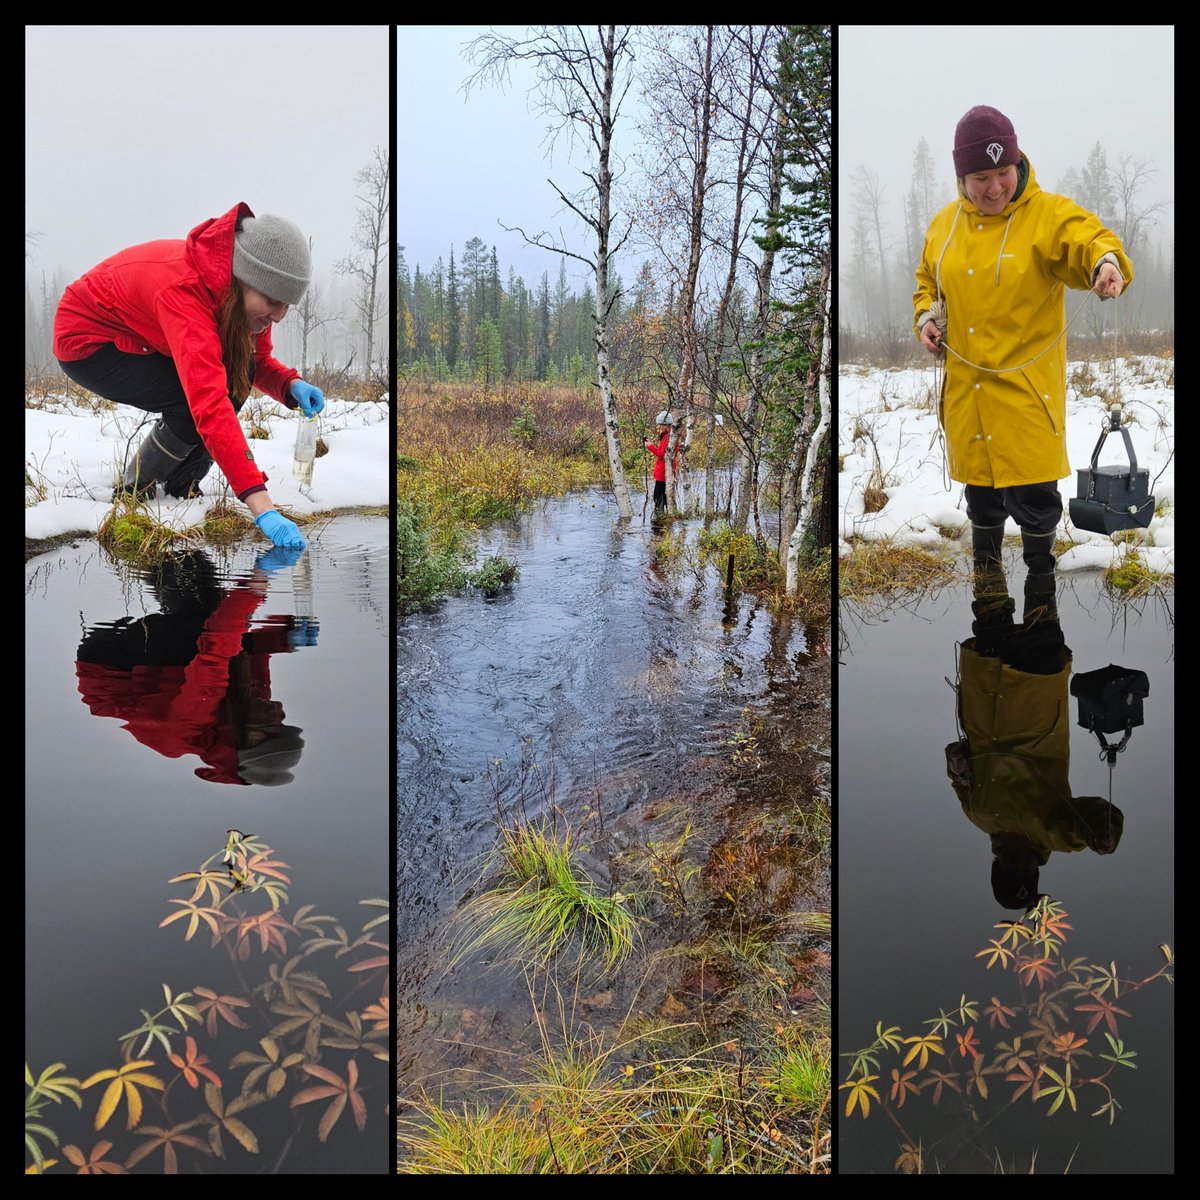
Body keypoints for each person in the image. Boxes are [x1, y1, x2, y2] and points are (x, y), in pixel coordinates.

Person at [914, 106, 1134, 585]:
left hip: (1027, 398)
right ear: (962, 177)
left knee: (1036, 505)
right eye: (980, 177)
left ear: (1017, 165)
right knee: (982, 501)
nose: (994, 188)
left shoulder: (1048, 215)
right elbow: (927, 281)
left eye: (1003, 173)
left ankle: (1040, 609)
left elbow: (1088, 239)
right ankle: (987, 600)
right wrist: (928, 317)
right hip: (968, 402)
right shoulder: (944, 226)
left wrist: (1104, 263)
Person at [53, 202, 326, 549]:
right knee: (191, 399)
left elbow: (255, 361)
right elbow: (209, 404)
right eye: (273, 300)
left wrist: (290, 384)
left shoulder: (239, 302)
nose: (279, 315)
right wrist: (261, 504)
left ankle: (182, 487)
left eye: (288, 304)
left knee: (240, 371)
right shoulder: (186, 293)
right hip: (89, 339)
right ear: (244, 279)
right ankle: (134, 491)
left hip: (141, 334)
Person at [946, 567, 1122, 910]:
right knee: (1040, 605)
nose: (1021, 866)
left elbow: (959, 775)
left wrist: (956, 765)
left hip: (985, 685)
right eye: (1027, 873)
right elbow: (1099, 819)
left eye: (1012, 871)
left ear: (998, 868)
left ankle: (986, 520)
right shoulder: (1054, 833)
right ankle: (1038, 527)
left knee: (988, 605)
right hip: (1034, 698)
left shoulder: (978, 816)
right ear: (1035, 873)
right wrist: (1103, 836)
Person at [645, 412, 678, 515]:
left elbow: (663, 454)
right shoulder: (668, 436)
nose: (660, 427)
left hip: (664, 472)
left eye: (662, 425)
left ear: (667, 425)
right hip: (664, 471)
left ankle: (660, 518)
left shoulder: (669, 437)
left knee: (658, 498)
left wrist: (650, 446)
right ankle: (664, 519)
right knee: (664, 497)